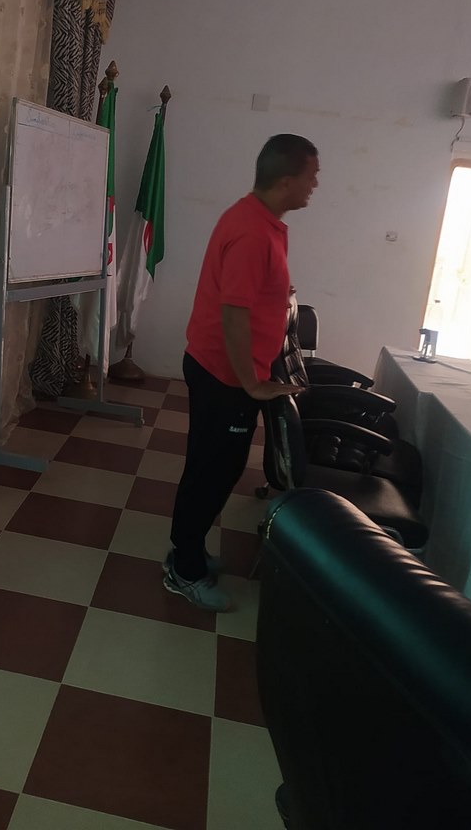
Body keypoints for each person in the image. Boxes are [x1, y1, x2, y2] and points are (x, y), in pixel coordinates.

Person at [164, 134, 320, 611]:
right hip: (225, 374)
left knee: (215, 466)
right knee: (212, 471)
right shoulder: (254, 231)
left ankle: (187, 550)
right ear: (287, 180)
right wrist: (252, 382)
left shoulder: (256, 218)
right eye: (311, 177)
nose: (315, 186)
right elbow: (233, 313)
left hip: (223, 367)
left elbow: (249, 296)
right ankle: (185, 569)